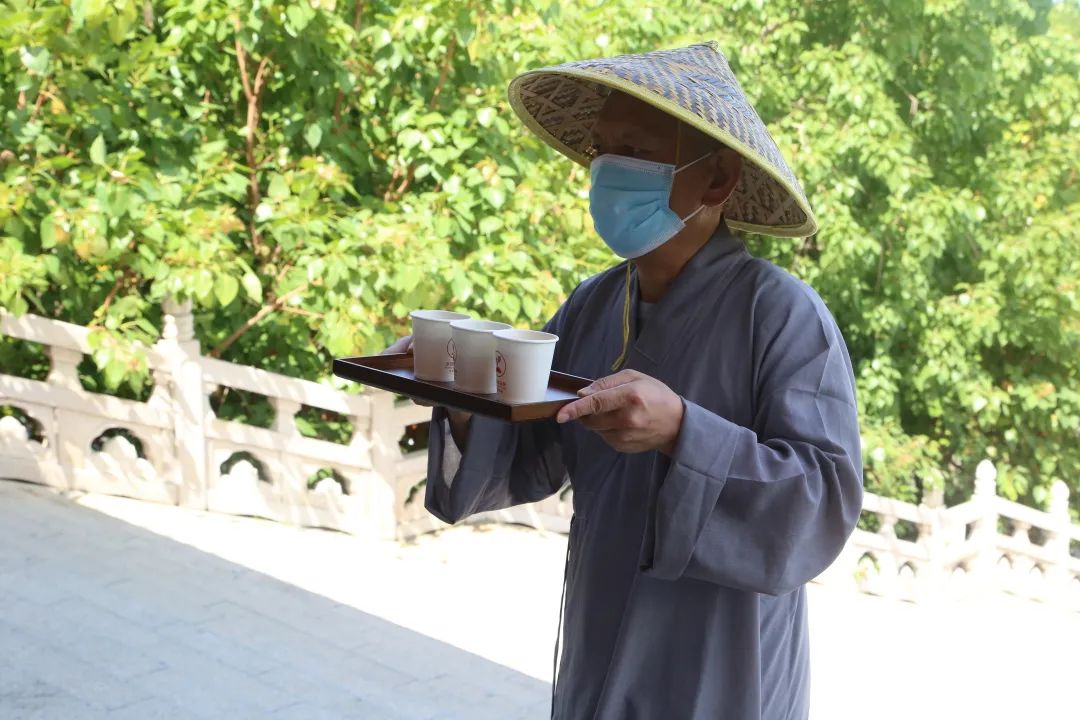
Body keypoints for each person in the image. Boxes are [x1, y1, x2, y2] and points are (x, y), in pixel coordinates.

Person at [386, 41, 863, 720]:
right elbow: (533, 451)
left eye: (635, 152)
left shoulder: (782, 313)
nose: (608, 172)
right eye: (604, 151)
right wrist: (461, 396)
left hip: (721, 654)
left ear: (717, 181)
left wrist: (683, 433)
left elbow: (823, 501)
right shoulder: (595, 303)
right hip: (600, 624)